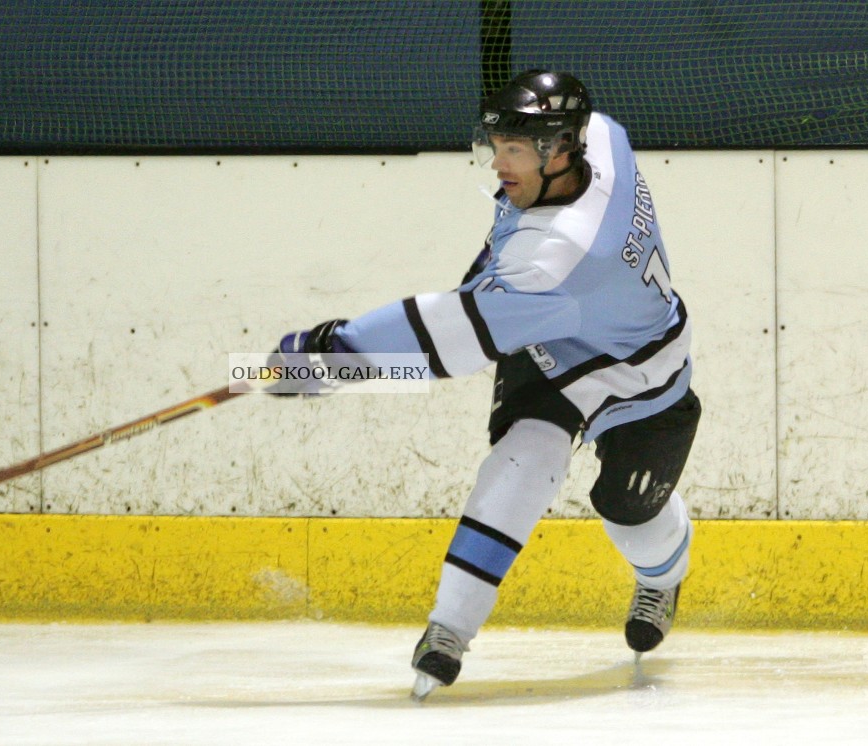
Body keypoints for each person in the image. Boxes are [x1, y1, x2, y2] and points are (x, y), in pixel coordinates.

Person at [270, 70, 701, 701]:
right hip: (555, 338)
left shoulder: (558, 255)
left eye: (515, 152)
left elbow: (446, 338)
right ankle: (448, 629)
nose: (499, 163)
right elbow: (501, 262)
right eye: (496, 145)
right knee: (521, 462)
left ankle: (663, 577)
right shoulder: (602, 136)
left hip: (646, 372)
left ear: (560, 150)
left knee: (629, 511)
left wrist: (333, 354)